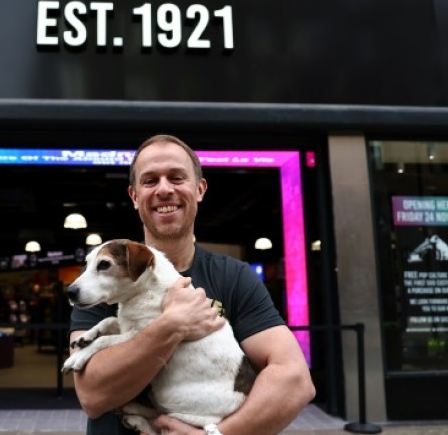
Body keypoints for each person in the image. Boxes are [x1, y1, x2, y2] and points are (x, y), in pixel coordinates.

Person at [69, 135, 315, 435]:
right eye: (150, 181)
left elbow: (296, 380)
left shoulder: (234, 276)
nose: (164, 189)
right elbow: (92, 396)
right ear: (134, 196)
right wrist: (173, 324)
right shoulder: (106, 279)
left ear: (199, 189)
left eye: (176, 177)